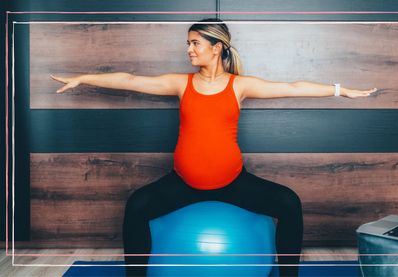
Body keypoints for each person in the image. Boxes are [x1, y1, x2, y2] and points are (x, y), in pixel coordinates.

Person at [51, 18, 377, 277]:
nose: (189, 50)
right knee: (137, 205)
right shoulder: (181, 83)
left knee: (289, 203)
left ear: (217, 47)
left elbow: (292, 87)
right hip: (183, 184)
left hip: (233, 183)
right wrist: (82, 78)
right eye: (188, 44)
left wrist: (340, 89)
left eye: (195, 43)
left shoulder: (240, 85)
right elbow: (130, 80)